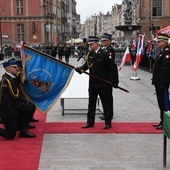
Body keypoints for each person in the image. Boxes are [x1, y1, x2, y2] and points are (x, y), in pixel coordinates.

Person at [75, 36, 119, 129]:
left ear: (96, 43)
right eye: (89, 44)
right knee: (91, 103)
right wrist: (80, 69)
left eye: (91, 44)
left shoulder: (104, 54)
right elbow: (87, 65)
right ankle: (90, 122)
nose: (90, 46)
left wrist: (115, 81)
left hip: (104, 83)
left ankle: (108, 122)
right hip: (93, 83)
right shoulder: (90, 54)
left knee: (106, 103)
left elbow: (113, 68)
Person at [0, 59, 36, 139]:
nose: (17, 68)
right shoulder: (5, 81)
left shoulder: (13, 78)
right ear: (8, 68)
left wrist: (25, 101)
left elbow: (16, 94)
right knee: (10, 135)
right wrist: (11, 114)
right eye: (14, 67)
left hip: (15, 105)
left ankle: (23, 130)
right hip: (9, 110)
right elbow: (4, 99)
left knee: (30, 107)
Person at [152, 33, 170, 130]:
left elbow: (166, 69)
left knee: (164, 103)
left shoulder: (166, 52)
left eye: (159, 42)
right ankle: (162, 120)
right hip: (158, 81)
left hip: (162, 82)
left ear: (164, 42)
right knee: (161, 103)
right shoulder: (162, 51)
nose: (157, 43)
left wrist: (163, 83)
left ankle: (166, 122)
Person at [99, 33, 115, 120]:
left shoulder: (110, 50)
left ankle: (109, 114)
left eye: (105, 41)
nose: (103, 42)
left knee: (108, 98)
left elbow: (110, 65)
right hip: (103, 77)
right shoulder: (104, 49)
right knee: (104, 98)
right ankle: (106, 113)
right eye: (102, 41)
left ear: (109, 41)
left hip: (108, 77)